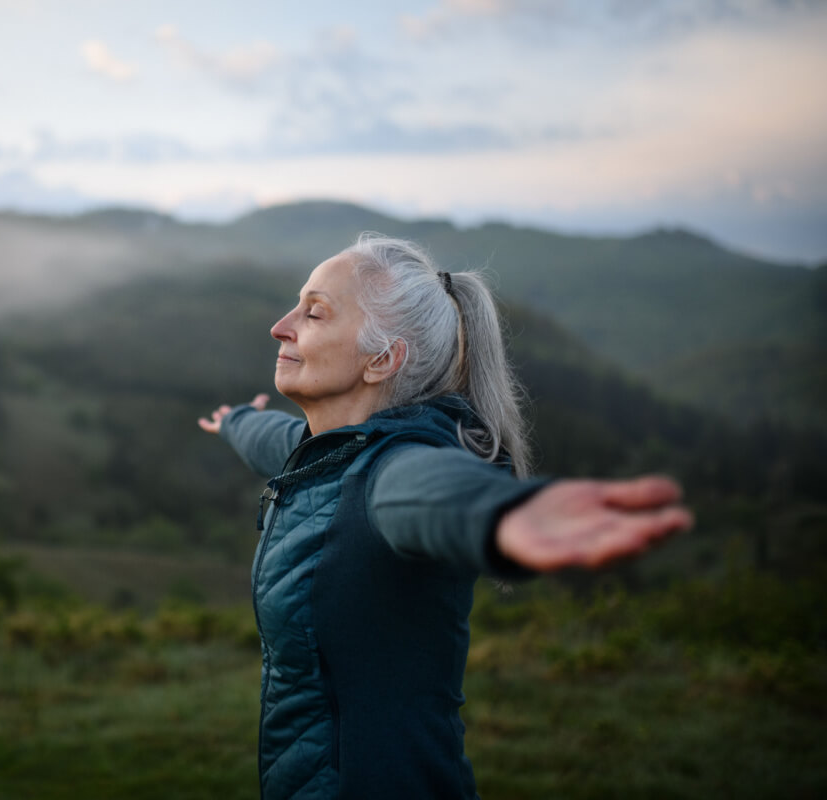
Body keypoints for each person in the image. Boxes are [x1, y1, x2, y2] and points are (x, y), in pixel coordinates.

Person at [197, 234, 693, 800]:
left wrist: (503, 514)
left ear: (382, 359)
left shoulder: (391, 470)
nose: (280, 326)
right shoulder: (331, 452)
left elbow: (430, 492)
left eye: (313, 312)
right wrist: (235, 422)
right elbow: (279, 441)